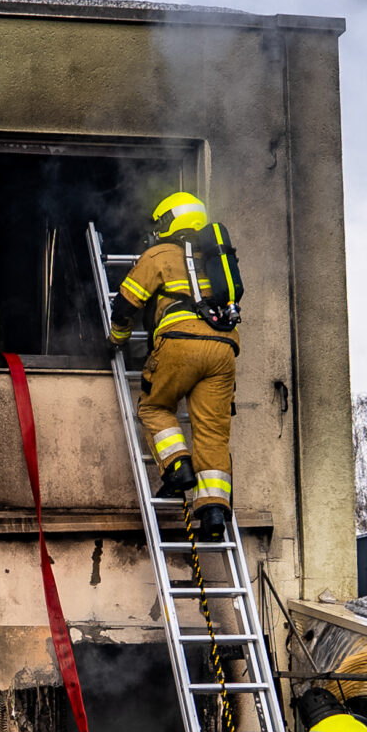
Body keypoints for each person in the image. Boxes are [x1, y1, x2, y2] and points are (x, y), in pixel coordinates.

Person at [107, 192, 242, 541]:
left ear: (169, 221)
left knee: (155, 408)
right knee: (212, 431)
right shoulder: (216, 260)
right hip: (224, 348)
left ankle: (177, 467)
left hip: (179, 342)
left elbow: (126, 303)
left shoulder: (160, 255)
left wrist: (117, 338)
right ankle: (213, 510)